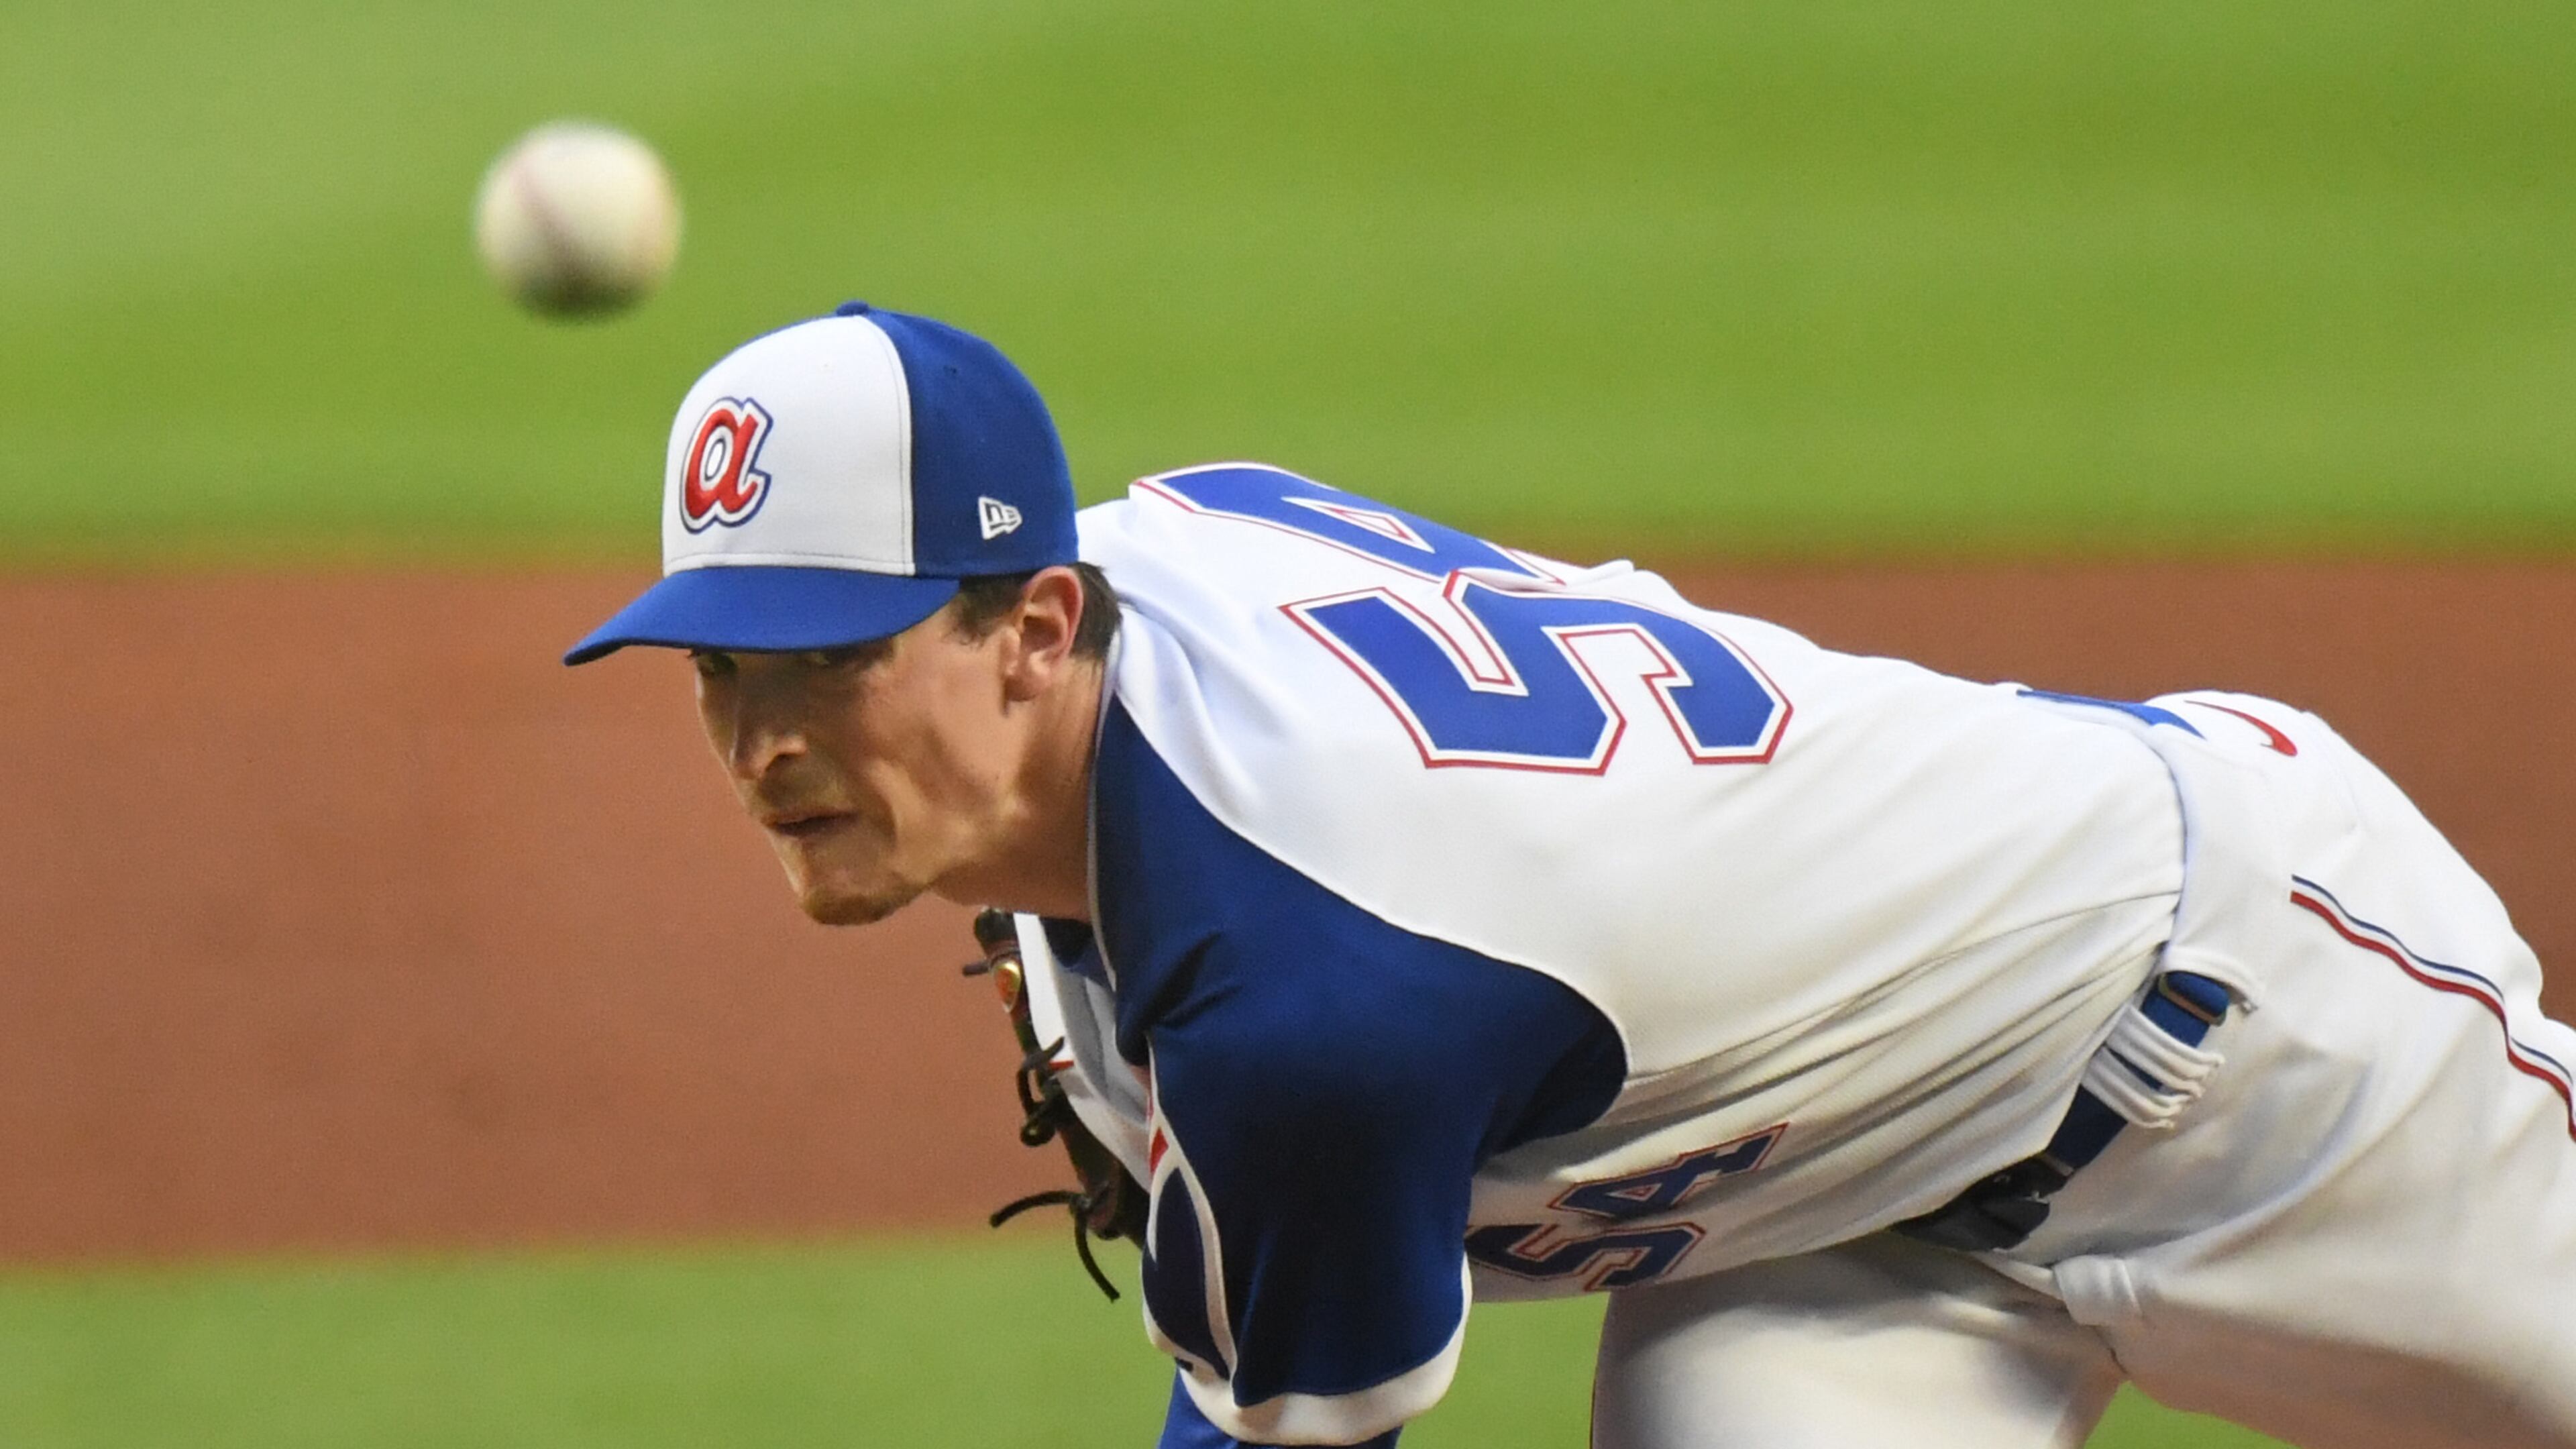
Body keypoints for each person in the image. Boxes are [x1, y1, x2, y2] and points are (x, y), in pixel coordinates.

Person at [565, 303, 2576, 1449]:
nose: (765, 739)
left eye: (835, 653)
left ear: (1029, 624)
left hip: (2255, 1028)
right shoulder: (1143, 578)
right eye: (722, 662)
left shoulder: (1312, 1010)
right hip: (1831, 1234)